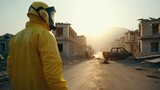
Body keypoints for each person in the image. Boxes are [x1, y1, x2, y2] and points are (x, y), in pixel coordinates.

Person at [7, 1, 68, 90]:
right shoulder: (45, 35)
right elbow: (53, 73)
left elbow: (11, 69)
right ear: (43, 14)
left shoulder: (16, 37)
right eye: (51, 15)